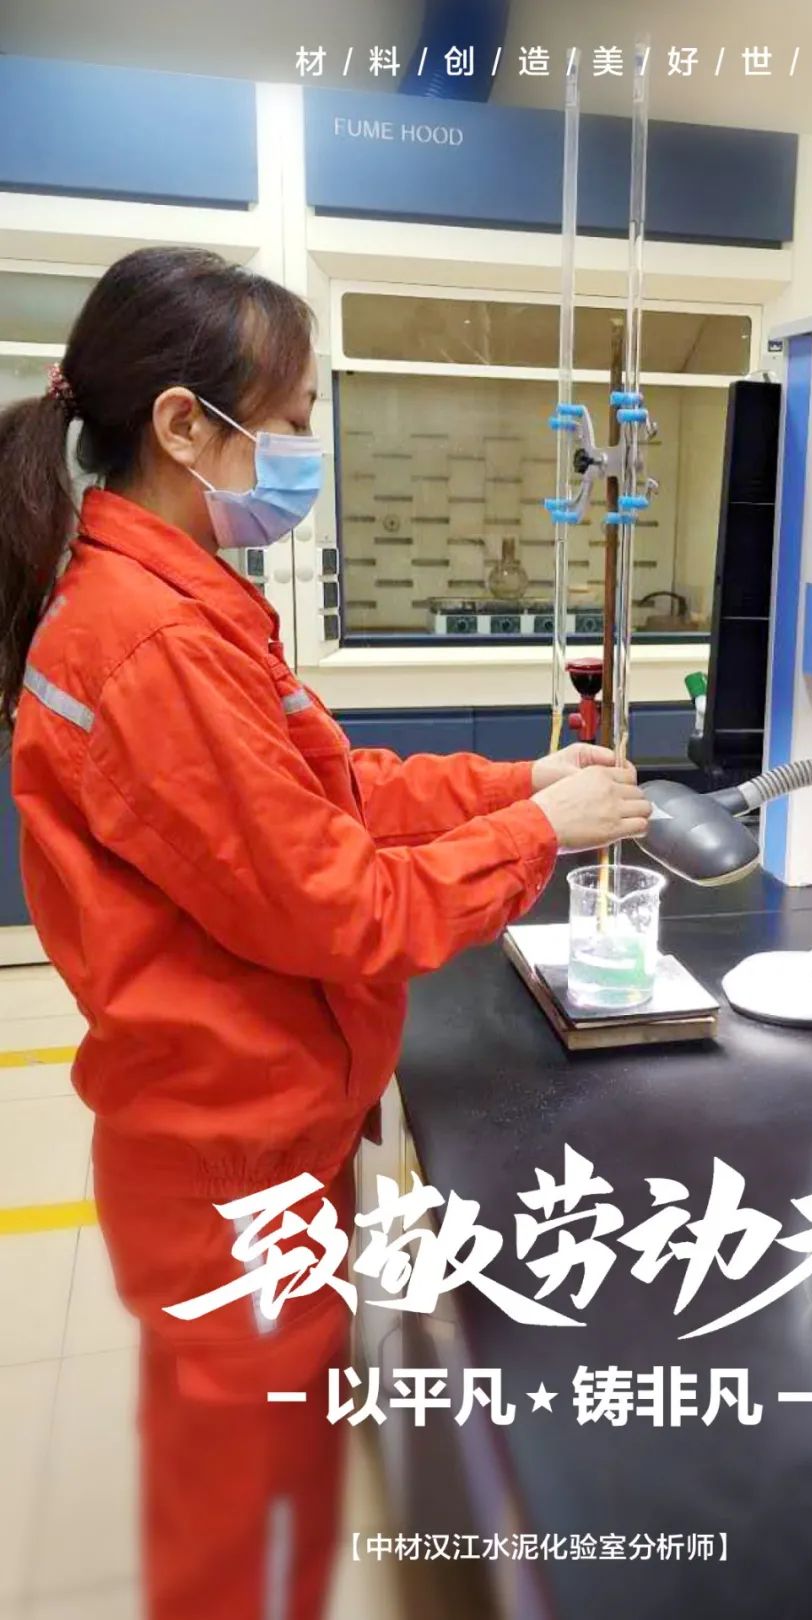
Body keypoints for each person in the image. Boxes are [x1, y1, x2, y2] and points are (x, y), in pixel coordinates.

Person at [0, 246, 652, 1620]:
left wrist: (518, 784)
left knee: (261, 1492)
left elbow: (336, 791)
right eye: (291, 421)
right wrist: (540, 837)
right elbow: (342, 906)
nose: (306, 452)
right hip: (228, 1166)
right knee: (241, 1539)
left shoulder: (182, 602)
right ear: (184, 426)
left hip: (259, 1139)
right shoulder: (153, 647)